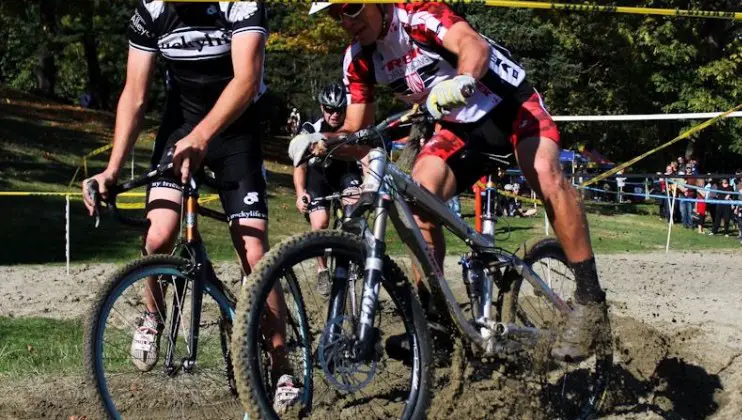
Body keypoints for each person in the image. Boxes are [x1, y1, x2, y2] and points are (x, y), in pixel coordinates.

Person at [293, 2, 608, 362]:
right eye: (336, 16)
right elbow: (359, 134)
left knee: (546, 175)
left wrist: (465, 78)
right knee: (418, 203)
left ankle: (589, 300)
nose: (346, 22)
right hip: (460, 127)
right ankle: (437, 324)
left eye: (351, 9)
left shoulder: (418, 15)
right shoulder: (359, 59)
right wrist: (322, 143)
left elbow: (474, 45)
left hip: (509, 106)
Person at [80, 1, 300, 412]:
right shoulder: (152, 9)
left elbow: (247, 80)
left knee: (253, 251)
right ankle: (153, 315)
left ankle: (282, 364)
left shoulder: (241, 3)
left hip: (236, 130)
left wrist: (203, 137)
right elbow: (135, 93)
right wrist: (111, 169)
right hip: (180, 125)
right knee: (160, 233)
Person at [293, 81, 362, 295]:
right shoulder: (310, 128)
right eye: (329, 109)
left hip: (345, 172)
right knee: (320, 222)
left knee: (354, 204)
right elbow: (299, 165)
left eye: (339, 110)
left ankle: (354, 251)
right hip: (318, 178)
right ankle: (322, 270)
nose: (334, 115)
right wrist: (300, 193)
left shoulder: (353, 124)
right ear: (322, 108)